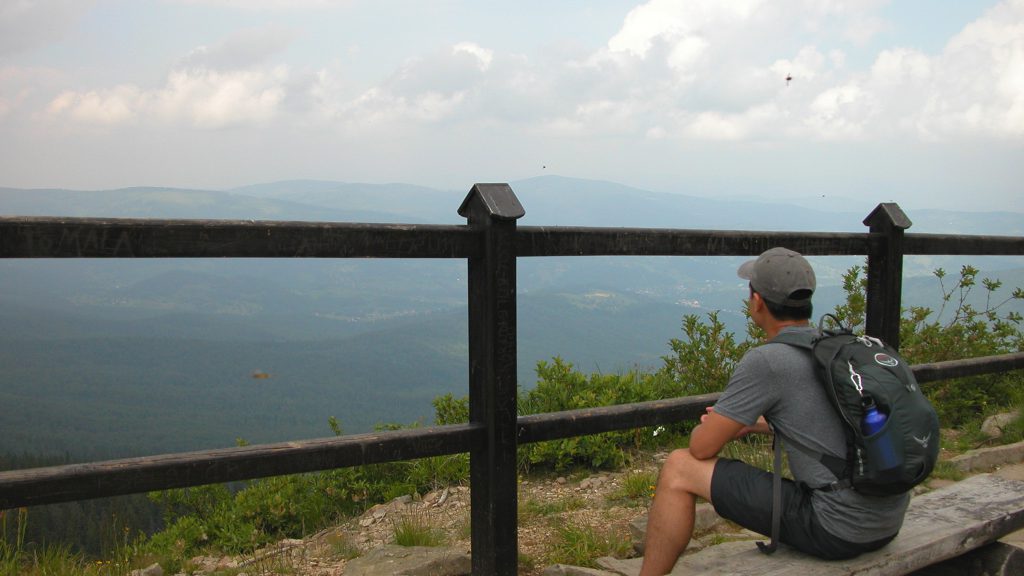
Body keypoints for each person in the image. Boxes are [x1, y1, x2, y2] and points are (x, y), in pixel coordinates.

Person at [638, 247, 909, 575]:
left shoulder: (767, 360)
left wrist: (712, 425)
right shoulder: (835, 349)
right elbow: (836, 423)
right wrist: (759, 425)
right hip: (887, 520)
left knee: (679, 467)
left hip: (836, 528)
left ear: (757, 302)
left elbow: (701, 448)